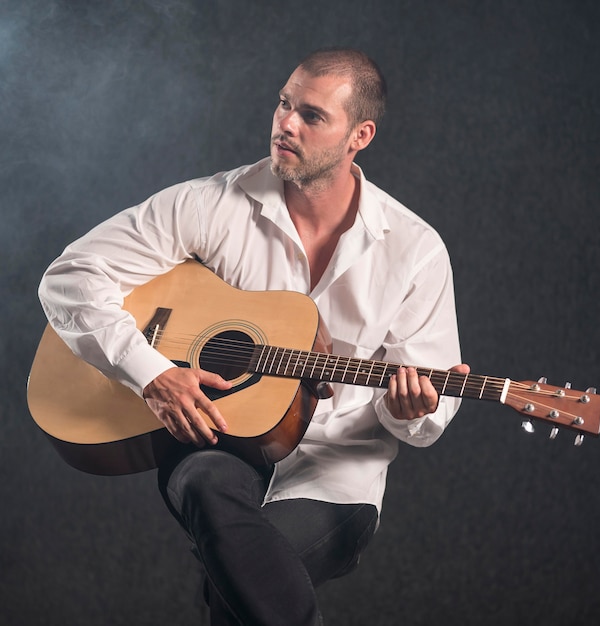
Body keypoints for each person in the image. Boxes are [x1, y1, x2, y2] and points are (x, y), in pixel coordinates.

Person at [38, 48, 469, 625]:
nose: (285, 123)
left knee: (240, 581)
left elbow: (422, 423)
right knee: (210, 495)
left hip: (334, 477)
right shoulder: (211, 204)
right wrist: (150, 371)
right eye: (284, 103)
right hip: (222, 447)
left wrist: (411, 407)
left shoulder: (414, 250)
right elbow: (70, 278)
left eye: (312, 116)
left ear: (359, 135)